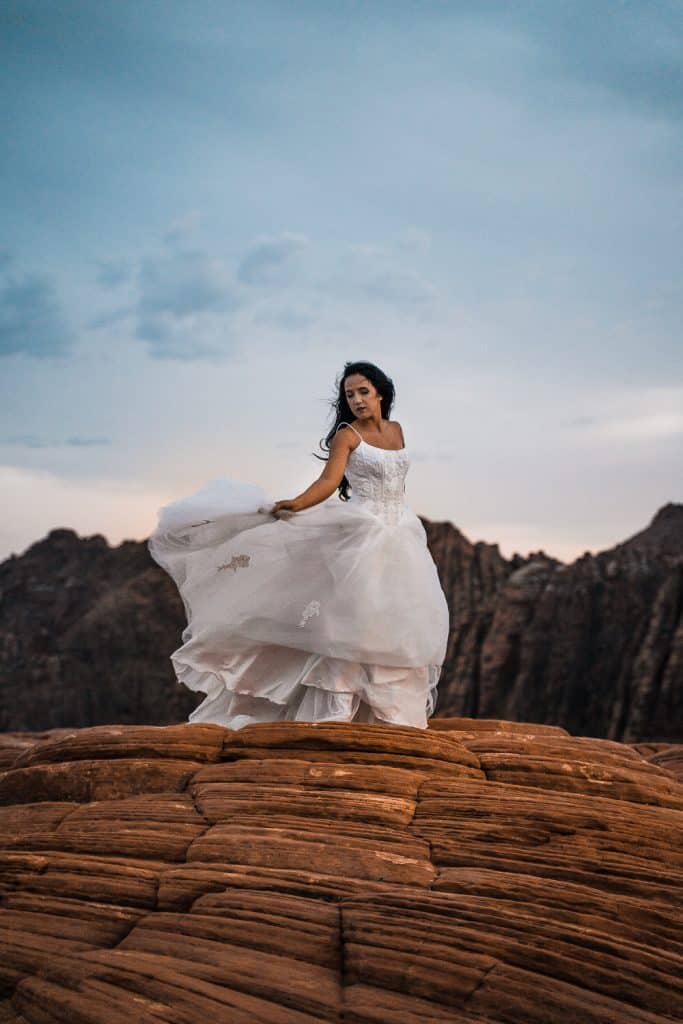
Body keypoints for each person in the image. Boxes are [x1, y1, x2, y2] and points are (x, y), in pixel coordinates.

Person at [147, 360, 450, 729]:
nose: (356, 400)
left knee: (396, 617)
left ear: (380, 393)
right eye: (350, 394)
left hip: (401, 533)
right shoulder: (347, 435)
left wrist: (401, 518)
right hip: (362, 533)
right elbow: (328, 481)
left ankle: (390, 715)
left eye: (363, 392)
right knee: (351, 620)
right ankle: (336, 712)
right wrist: (299, 503)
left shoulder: (398, 431)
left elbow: (397, 484)